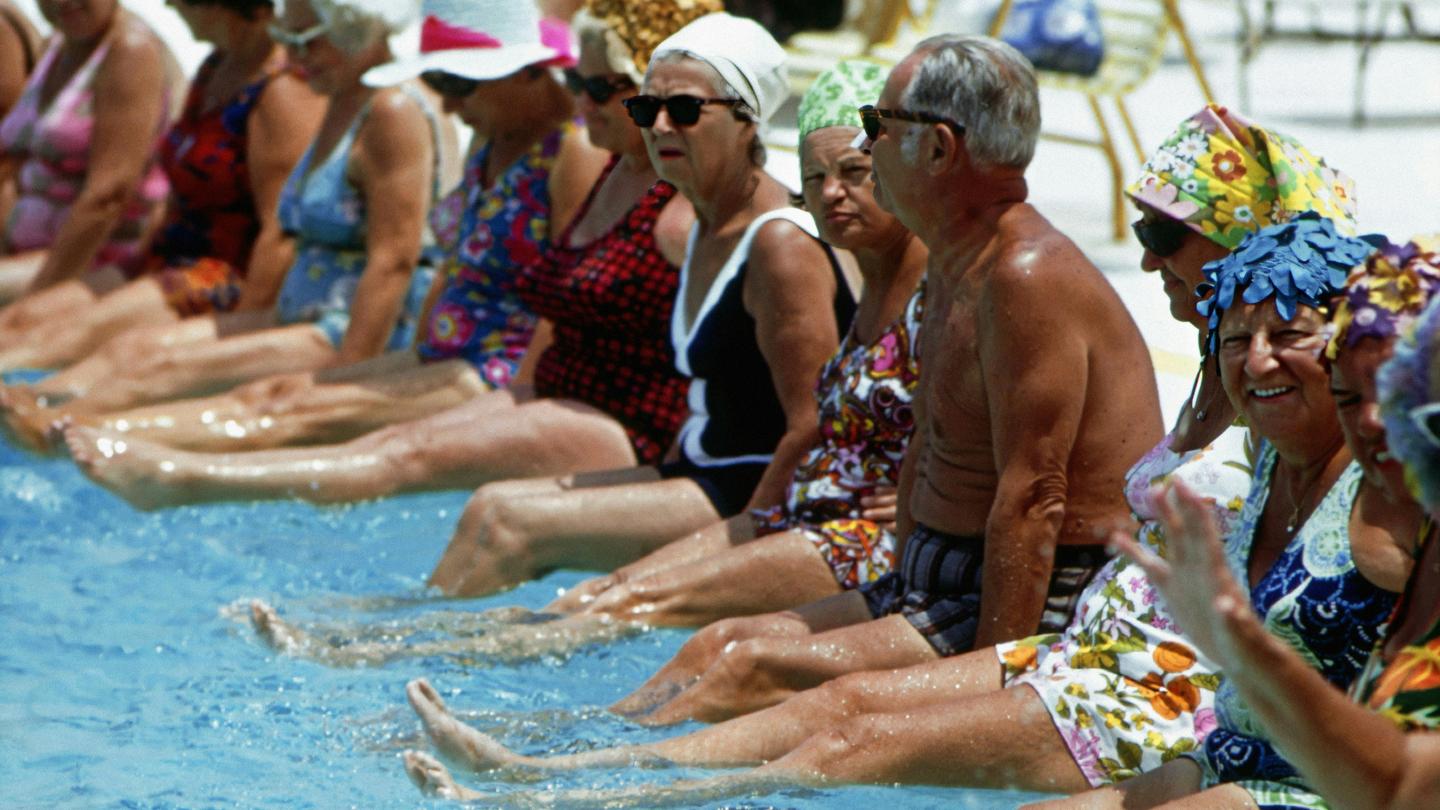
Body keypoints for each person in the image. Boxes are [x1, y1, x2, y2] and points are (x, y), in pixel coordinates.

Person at [395, 215, 1416, 807]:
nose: (1255, 358)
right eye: (1238, 338)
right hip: (1155, 698)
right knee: (826, 710)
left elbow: (1035, 489)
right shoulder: (1262, 455)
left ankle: (553, 788)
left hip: (1189, 726)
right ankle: (554, 772)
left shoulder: (1385, 480)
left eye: (1289, 338)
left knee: (840, 737)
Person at [242, 59, 929, 664]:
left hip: (788, 501)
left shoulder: (793, 248)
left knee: (639, 606)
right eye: (818, 177)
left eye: (857, 173)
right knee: (597, 587)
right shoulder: (711, 229)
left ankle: (431, 670)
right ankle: (413, 642)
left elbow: (816, 422)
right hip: (770, 491)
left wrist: (757, 526)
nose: (657, 124)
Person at [18, 0, 592, 451]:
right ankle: (61, 422)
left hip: (456, 356)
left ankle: (83, 438)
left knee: (268, 402)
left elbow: (396, 262)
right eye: (441, 84)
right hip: (429, 344)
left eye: (460, 84)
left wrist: (351, 380)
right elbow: (451, 266)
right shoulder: (491, 141)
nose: (450, 103)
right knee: (200, 373)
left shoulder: (559, 150)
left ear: (530, 74)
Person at [1044, 239, 1440, 809]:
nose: (1375, 422)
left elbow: (1401, 785)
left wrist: (1241, 640)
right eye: (1351, 397)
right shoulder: (1274, 457)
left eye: (1407, 393)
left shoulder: (1388, 512)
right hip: (1234, 758)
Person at [0, 0, 323, 372]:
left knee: (59, 346)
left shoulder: (280, 91)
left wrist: (242, 333)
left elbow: (280, 232)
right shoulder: (216, 66)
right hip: (167, 254)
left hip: (222, 274)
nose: (170, 6)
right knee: (22, 322)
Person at [0, 0, 179, 305]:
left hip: (97, 260)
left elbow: (107, 197)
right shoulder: (58, 46)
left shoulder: (130, 52)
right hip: (27, 252)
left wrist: (37, 300)